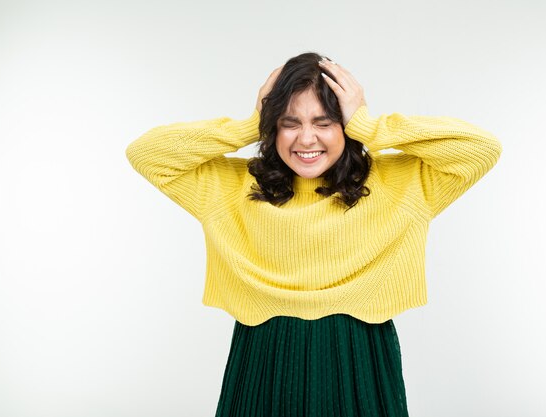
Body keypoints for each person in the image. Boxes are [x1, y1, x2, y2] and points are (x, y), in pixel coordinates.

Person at [125, 51, 502, 417]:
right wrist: (247, 125)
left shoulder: (399, 184)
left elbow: (480, 149)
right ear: (272, 127)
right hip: (264, 355)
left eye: (324, 122)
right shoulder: (233, 188)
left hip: (359, 353)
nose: (306, 139)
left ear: (346, 126)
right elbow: (148, 153)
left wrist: (370, 124)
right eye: (290, 122)